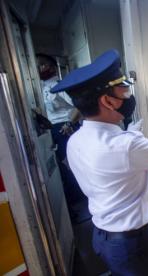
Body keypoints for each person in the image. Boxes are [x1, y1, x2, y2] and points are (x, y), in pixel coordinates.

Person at [51, 49, 148, 275]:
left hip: (103, 238)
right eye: (123, 88)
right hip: (138, 244)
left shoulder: (75, 141)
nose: (128, 93)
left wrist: (130, 136)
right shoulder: (126, 147)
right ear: (108, 101)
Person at [36, 53, 85, 215]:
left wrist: (69, 123)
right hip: (52, 130)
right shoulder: (39, 87)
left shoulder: (60, 84)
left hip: (65, 129)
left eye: (42, 64)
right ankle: (72, 204)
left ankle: (80, 200)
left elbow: (79, 106)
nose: (39, 68)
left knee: (69, 167)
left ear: (50, 66)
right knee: (60, 170)